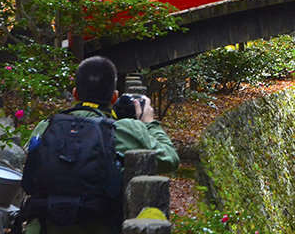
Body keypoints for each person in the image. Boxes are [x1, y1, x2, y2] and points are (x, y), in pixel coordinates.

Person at [17, 56, 179, 234]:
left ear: (75, 93)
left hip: (44, 228)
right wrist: (149, 123)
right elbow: (170, 160)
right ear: (114, 96)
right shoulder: (125, 130)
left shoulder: (47, 126)